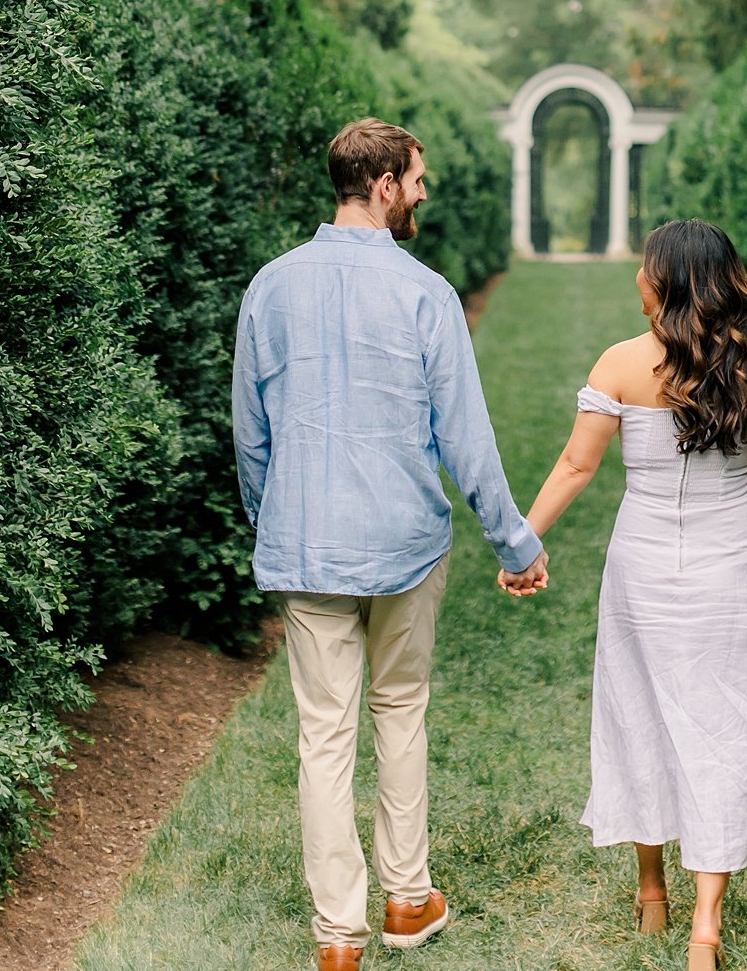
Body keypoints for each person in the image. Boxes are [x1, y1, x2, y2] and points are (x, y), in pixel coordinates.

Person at [232, 117, 548, 971]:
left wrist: (278, 518)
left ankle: (339, 938)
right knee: (398, 711)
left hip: (307, 543)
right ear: (381, 185)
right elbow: (465, 438)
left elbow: (250, 434)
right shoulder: (425, 294)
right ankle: (408, 899)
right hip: (405, 539)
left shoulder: (269, 287)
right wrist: (514, 544)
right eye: (416, 180)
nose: (421, 194)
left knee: (322, 735)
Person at [508, 217, 747, 970]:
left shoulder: (622, 364)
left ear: (669, 280)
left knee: (642, 715)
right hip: (731, 567)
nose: (635, 278)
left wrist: (522, 539)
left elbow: (575, 467)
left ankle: (652, 894)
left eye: (645, 267)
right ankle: (705, 927)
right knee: (723, 727)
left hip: (644, 569)